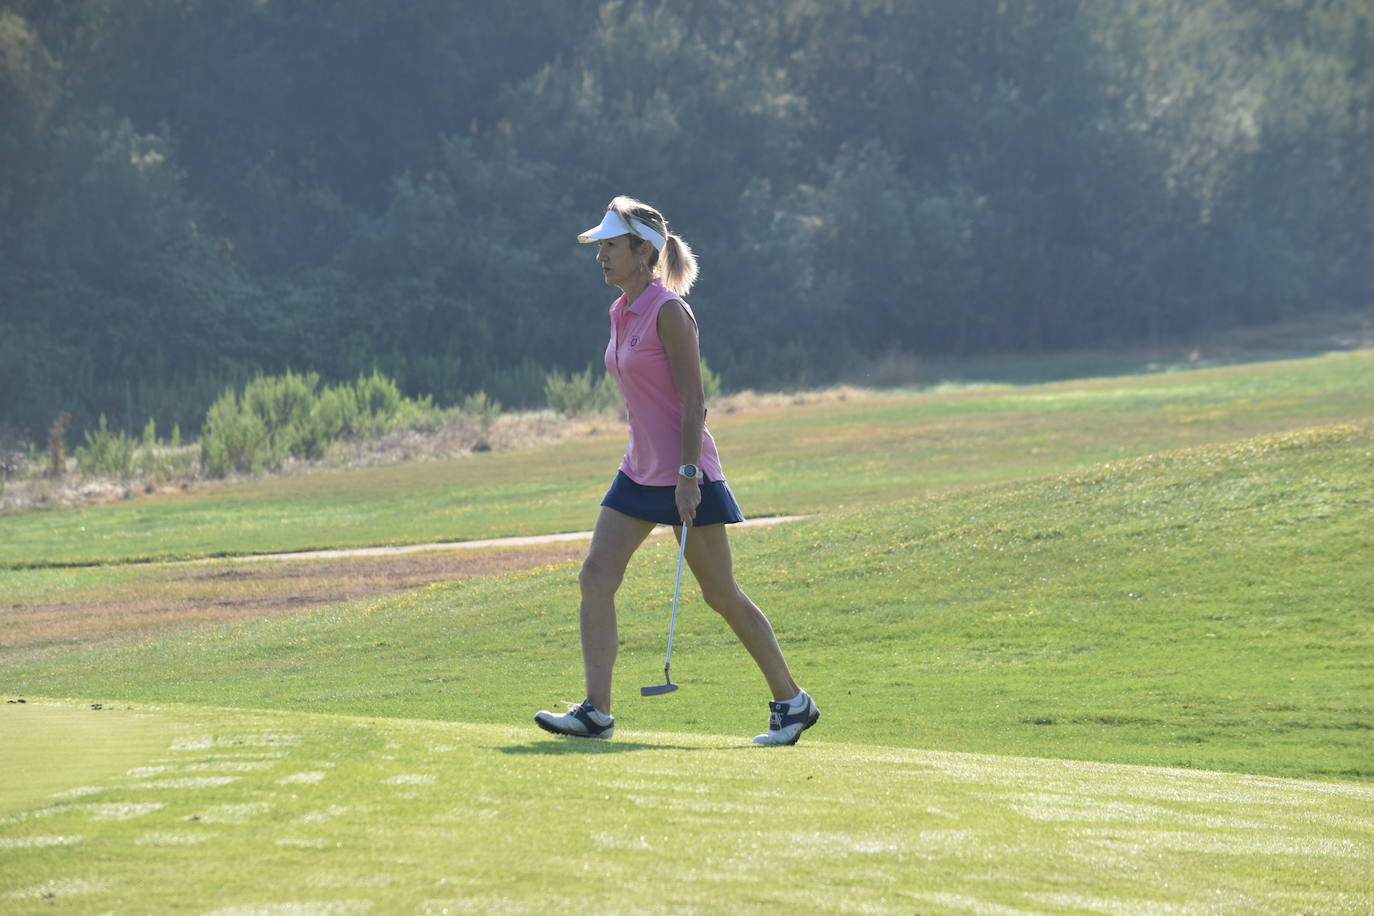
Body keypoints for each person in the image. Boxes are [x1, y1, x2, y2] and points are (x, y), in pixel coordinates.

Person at [535, 196, 819, 746]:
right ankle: (596, 710)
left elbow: (694, 401)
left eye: (611, 246)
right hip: (639, 471)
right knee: (595, 575)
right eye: (600, 247)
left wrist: (689, 475)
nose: (601, 255)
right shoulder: (621, 310)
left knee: (721, 594)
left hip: (688, 474)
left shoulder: (669, 311)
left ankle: (792, 702)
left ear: (644, 252)